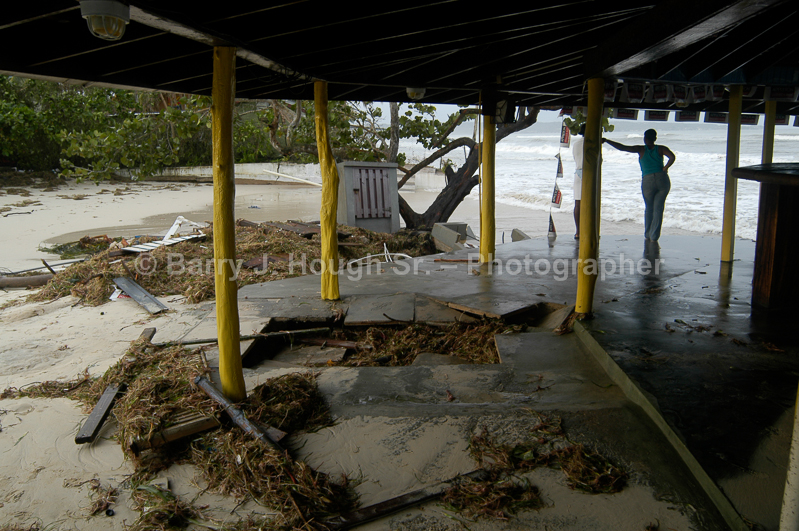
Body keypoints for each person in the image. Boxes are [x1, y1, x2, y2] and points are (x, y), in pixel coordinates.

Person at [603, 129, 675, 242]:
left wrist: (607, 140)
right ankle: (654, 236)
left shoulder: (641, 149)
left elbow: (622, 147)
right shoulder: (661, 148)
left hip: (648, 180)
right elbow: (672, 157)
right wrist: (665, 168)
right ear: (655, 138)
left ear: (644, 138)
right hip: (662, 178)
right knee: (658, 209)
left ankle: (647, 234)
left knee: (649, 208)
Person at [571, 124, 585, 240]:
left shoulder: (576, 144)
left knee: (578, 204)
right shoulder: (592, 144)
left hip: (578, 172)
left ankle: (578, 231)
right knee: (590, 203)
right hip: (588, 173)